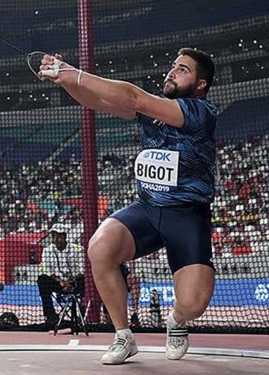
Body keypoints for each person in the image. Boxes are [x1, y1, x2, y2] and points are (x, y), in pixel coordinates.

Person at [40, 48, 217, 364]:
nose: (171, 72)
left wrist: (74, 73)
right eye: (172, 66)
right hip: (146, 209)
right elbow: (94, 101)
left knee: (193, 303)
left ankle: (176, 320)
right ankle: (123, 336)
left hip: (187, 216)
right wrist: (62, 79)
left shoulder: (201, 112)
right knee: (99, 246)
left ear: (200, 84)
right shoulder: (152, 114)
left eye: (183, 70)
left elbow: (134, 97)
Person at [37, 223, 85, 327]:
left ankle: (82, 314)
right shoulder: (47, 250)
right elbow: (48, 271)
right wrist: (62, 283)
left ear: (64, 236)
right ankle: (50, 316)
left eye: (58, 236)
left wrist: (70, 283)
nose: (55, 239)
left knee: (86, 281)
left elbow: (82, 271)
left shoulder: (78, 249)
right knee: (42, 279)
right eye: (53, 236)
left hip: (75, 282)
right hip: (58, 283)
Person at [120, 261, 142, 328]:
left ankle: (134, 312)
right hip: (112, 270)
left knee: (134, 278)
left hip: (123, 268)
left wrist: (132, 272)